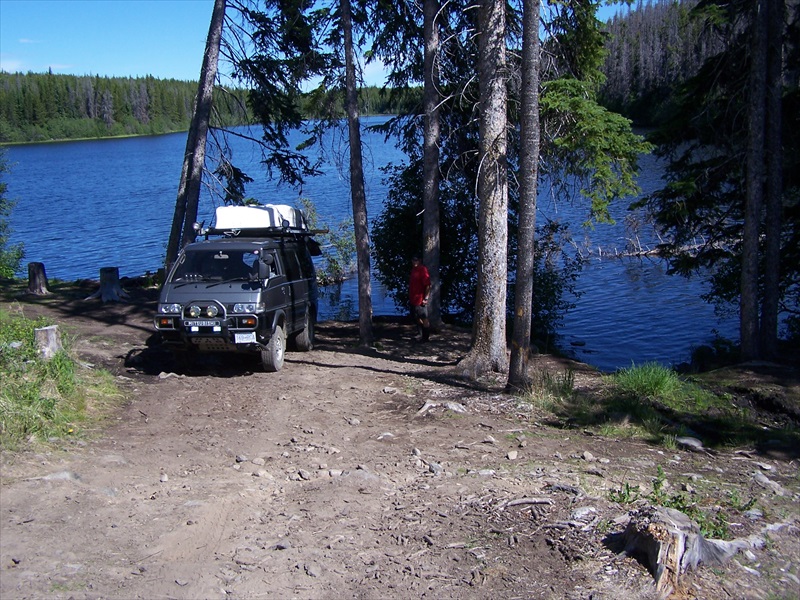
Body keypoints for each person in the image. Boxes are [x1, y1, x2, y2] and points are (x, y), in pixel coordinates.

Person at [409, 255, 431, 342]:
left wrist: (426, 298)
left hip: (420, 299)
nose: (415, 262)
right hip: (413, 299)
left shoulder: (423, 270)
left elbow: (428, 285)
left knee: (424, 318)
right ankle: (420, 334)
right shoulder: (413, 270)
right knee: (416, 317)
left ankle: (426, 338)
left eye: (416, 260)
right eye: (413, 260)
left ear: (420, 261)